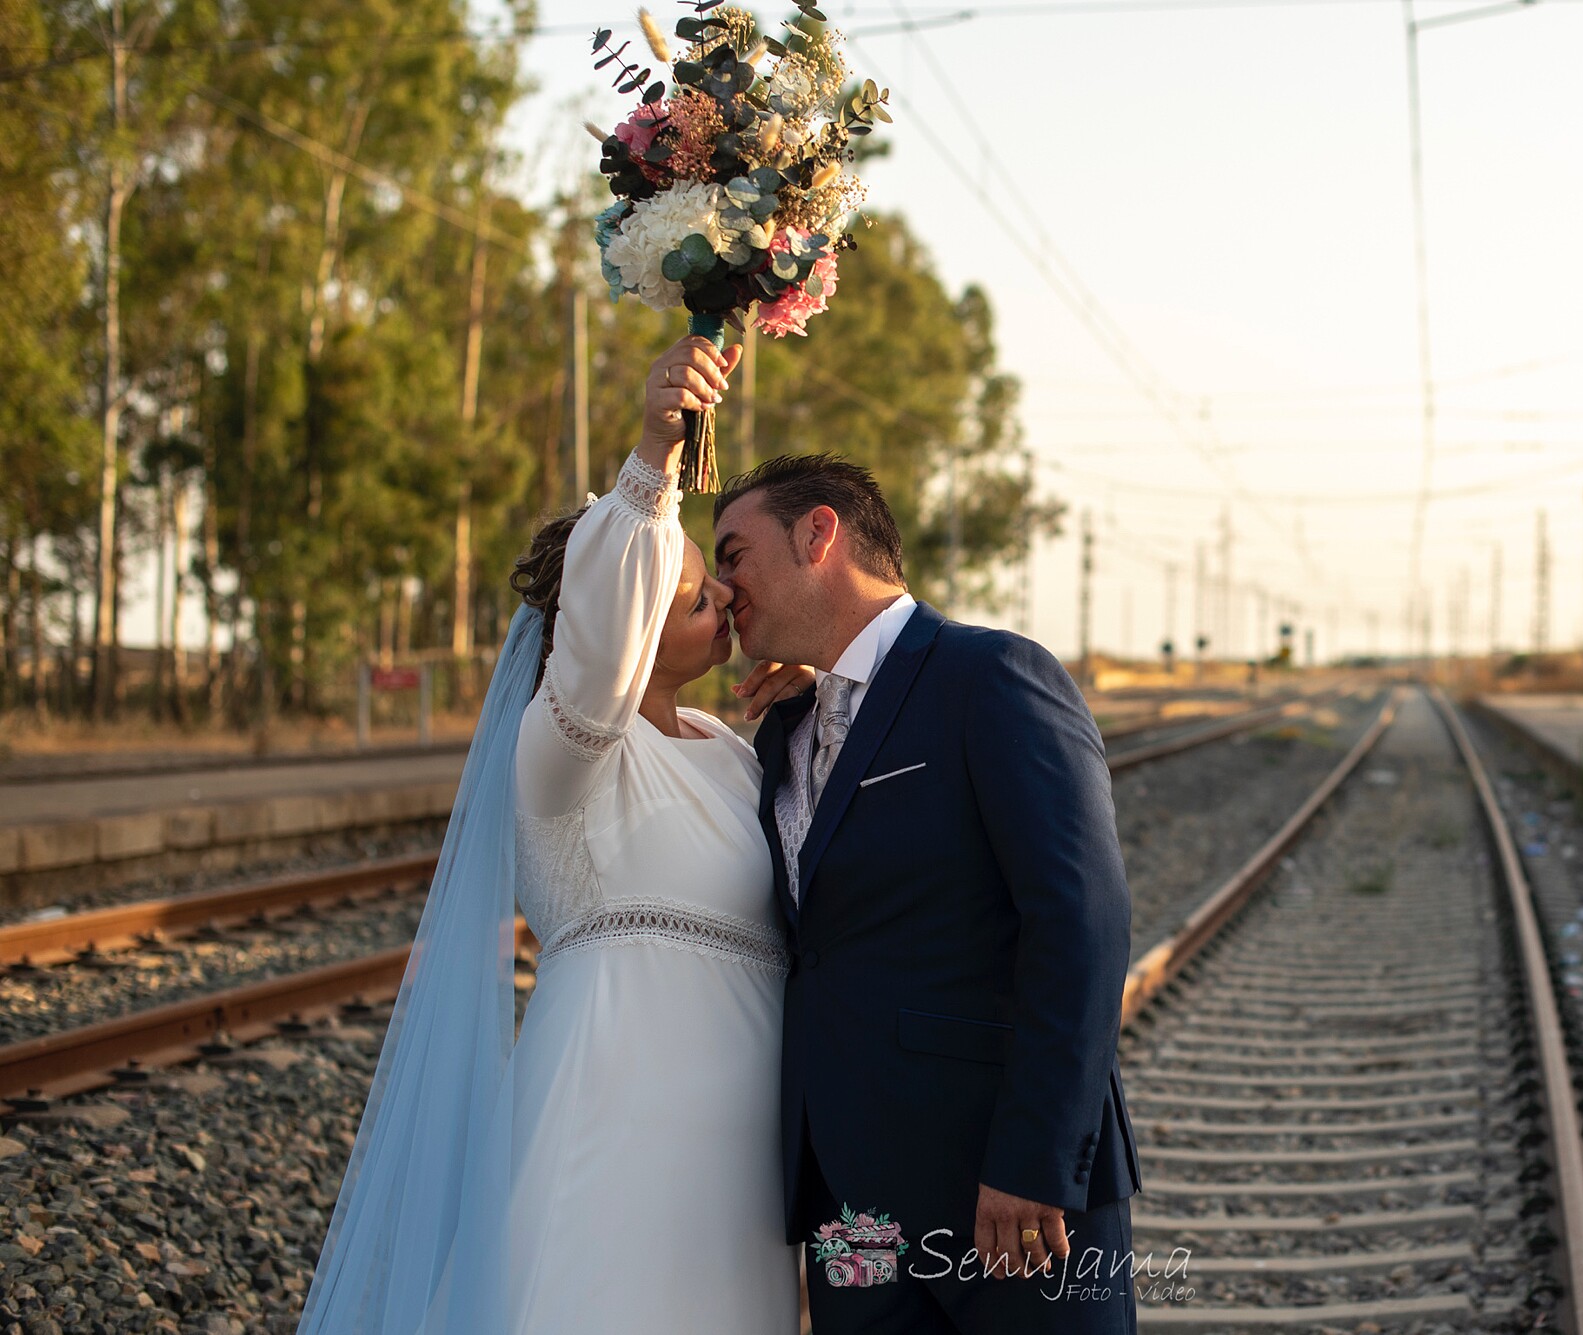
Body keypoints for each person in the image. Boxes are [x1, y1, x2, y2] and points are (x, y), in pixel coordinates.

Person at [297, 336, 811, 1333]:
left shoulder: (730, 747)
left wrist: (822, 707)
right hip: (615, 1119)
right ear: (615, 618)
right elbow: (599, 649)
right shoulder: (564, 747)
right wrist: (653, 463)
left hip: (744, 1154)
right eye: (690, 591)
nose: (722, 602)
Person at [714, 454, 1142, 1334]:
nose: (724, 588)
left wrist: (1035, 1161)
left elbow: (1082, 925)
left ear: (817, 533)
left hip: (1003, 1193)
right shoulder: (784, 731)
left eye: (733, 554)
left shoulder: (992, 677)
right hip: (848, 1211)